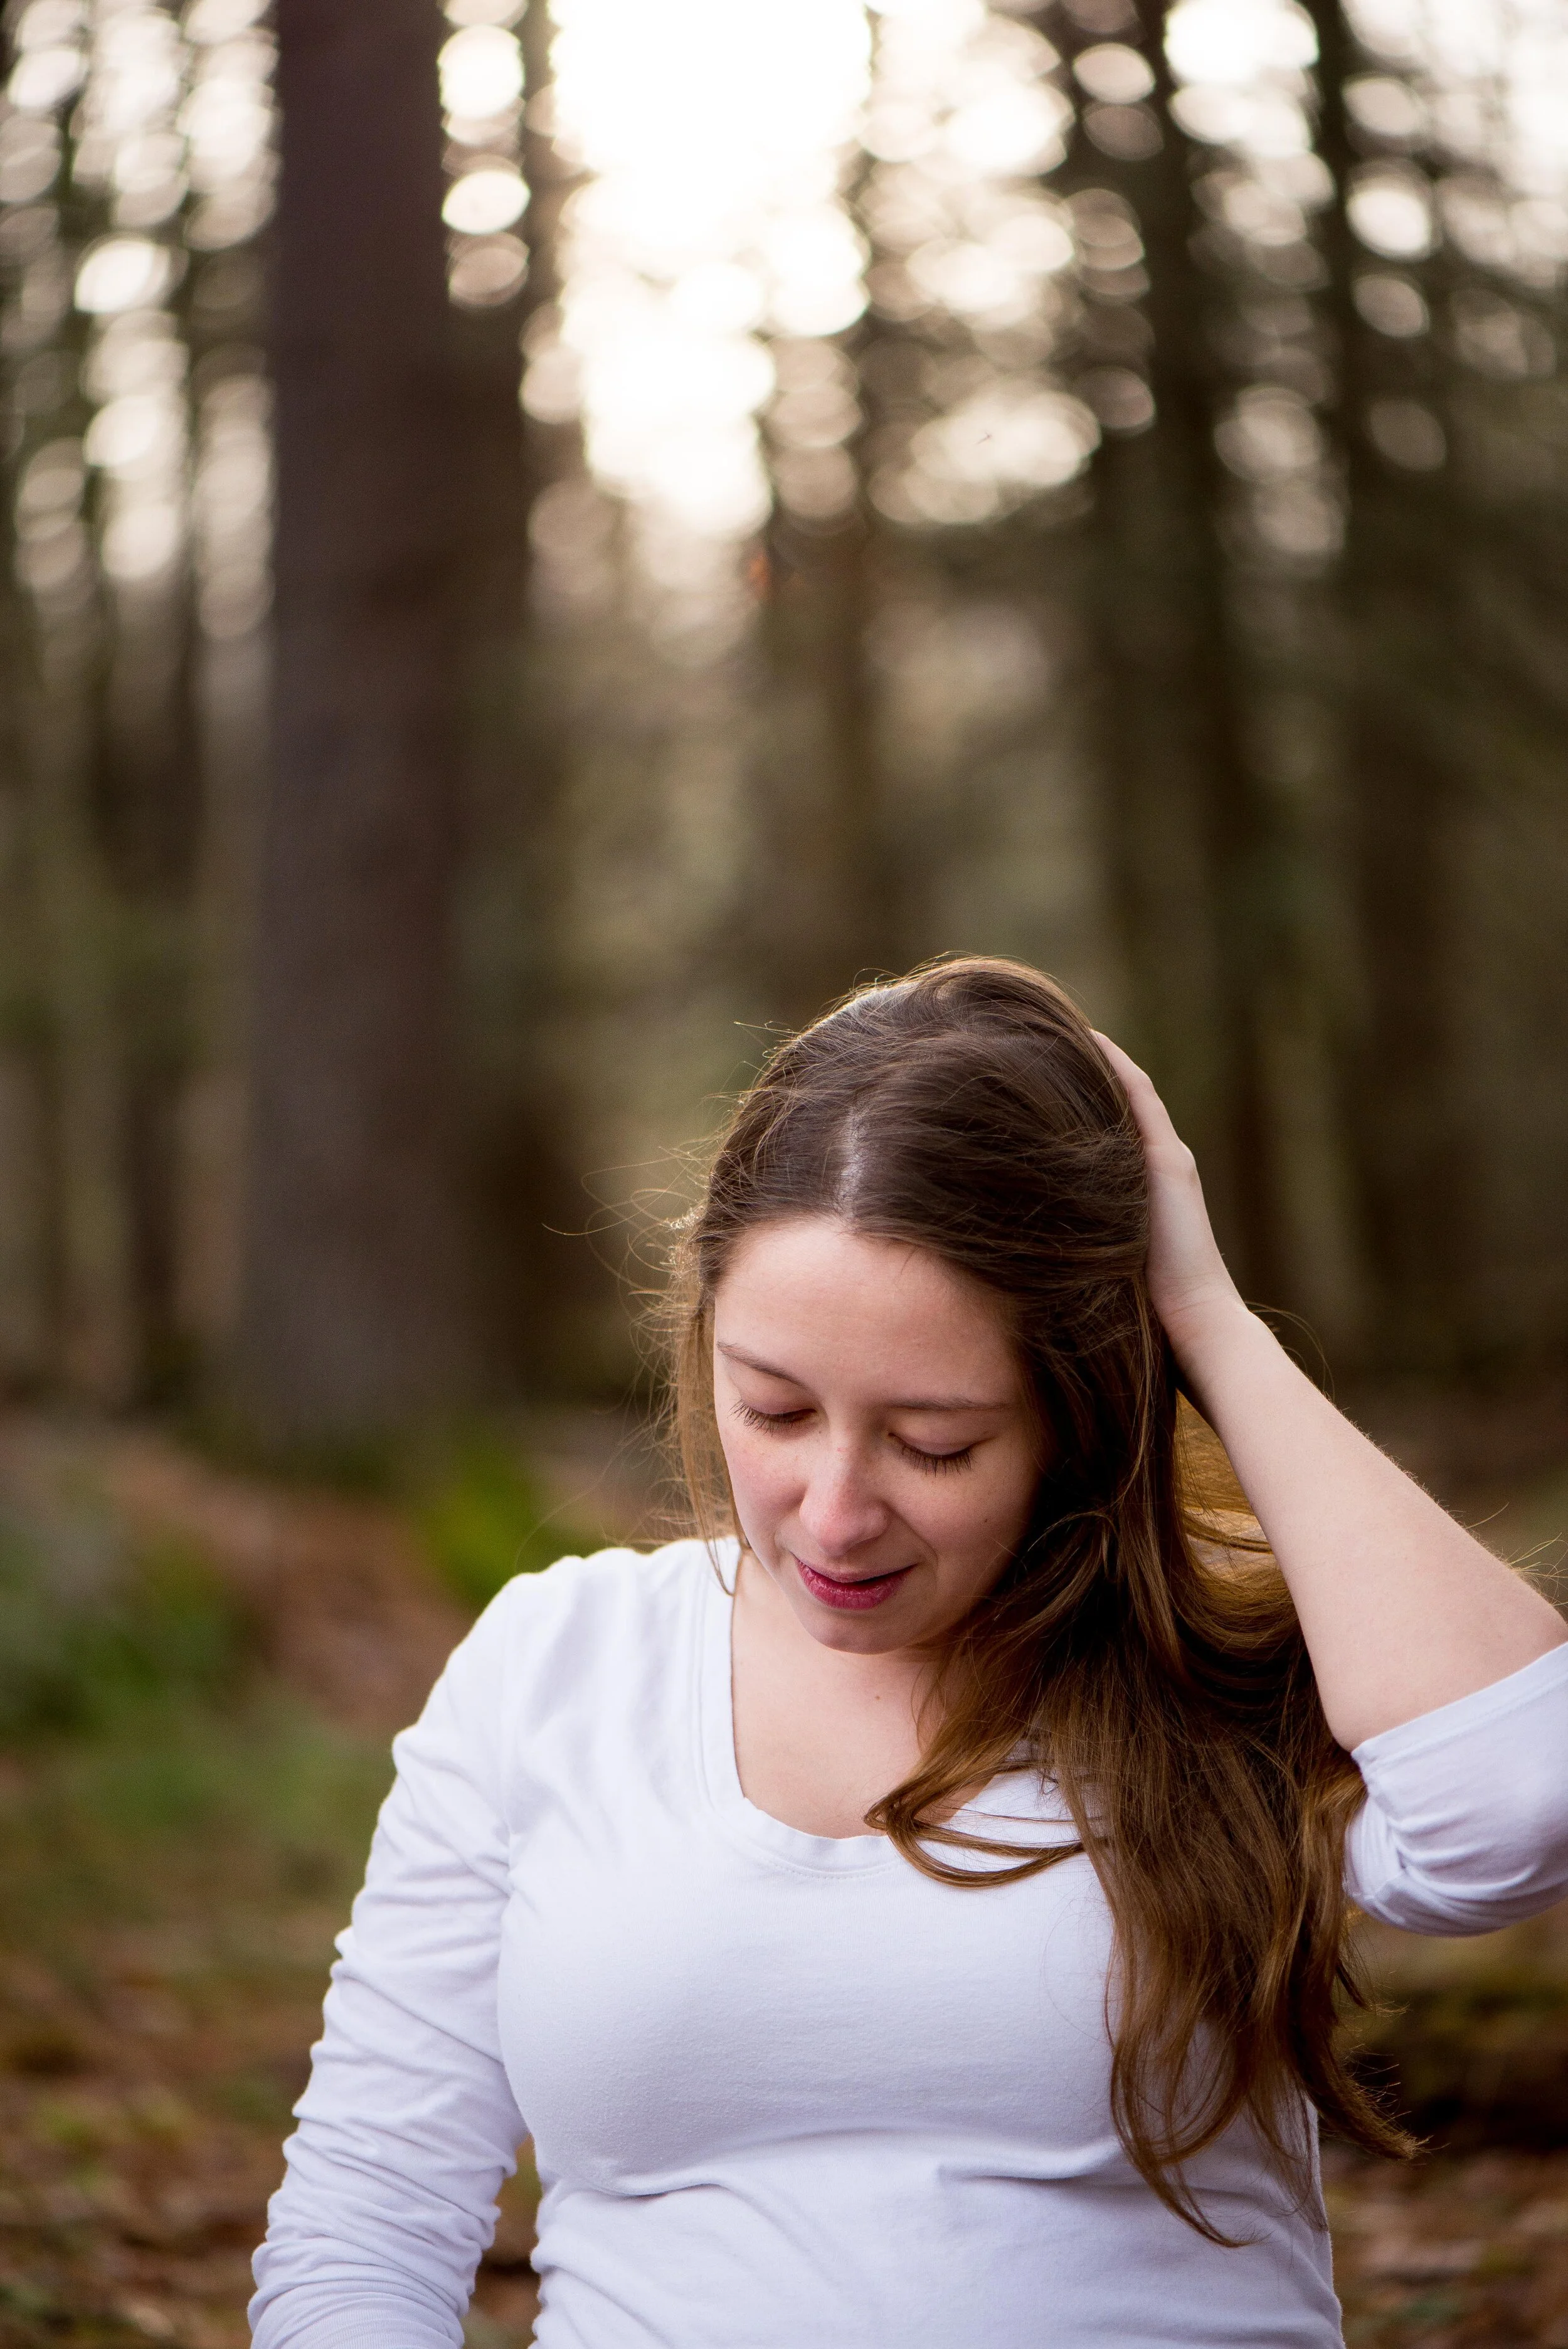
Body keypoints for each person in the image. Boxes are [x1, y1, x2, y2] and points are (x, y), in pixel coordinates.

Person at [250, 958, 1568, 2349]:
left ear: (1079, 1405)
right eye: (772, 1410)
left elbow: (1515, 1804)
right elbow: (365, 2224)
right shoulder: (560, 1662)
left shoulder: (1209, 1669)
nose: (832, 1513)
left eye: (932, 1442)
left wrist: (1204, 1317)